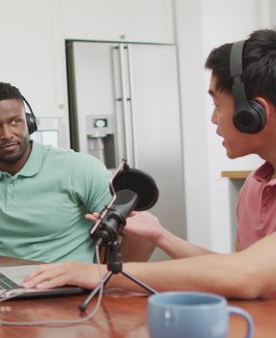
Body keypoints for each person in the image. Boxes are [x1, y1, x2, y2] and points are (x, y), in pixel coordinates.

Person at [23, 29, 276, 299]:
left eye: (217, 104)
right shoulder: (254, 186)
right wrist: (159, 235)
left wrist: (101, 273)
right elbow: (234, 271)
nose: (214, 119)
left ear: (253, 113)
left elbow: (244, 275)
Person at [0, 82, 153, 263]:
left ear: (29, 123)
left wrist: (113, 288)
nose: (7, 134)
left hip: (68, 291)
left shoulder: (78, 168)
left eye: (14, 121)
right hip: (7, 288)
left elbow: (143, 234)